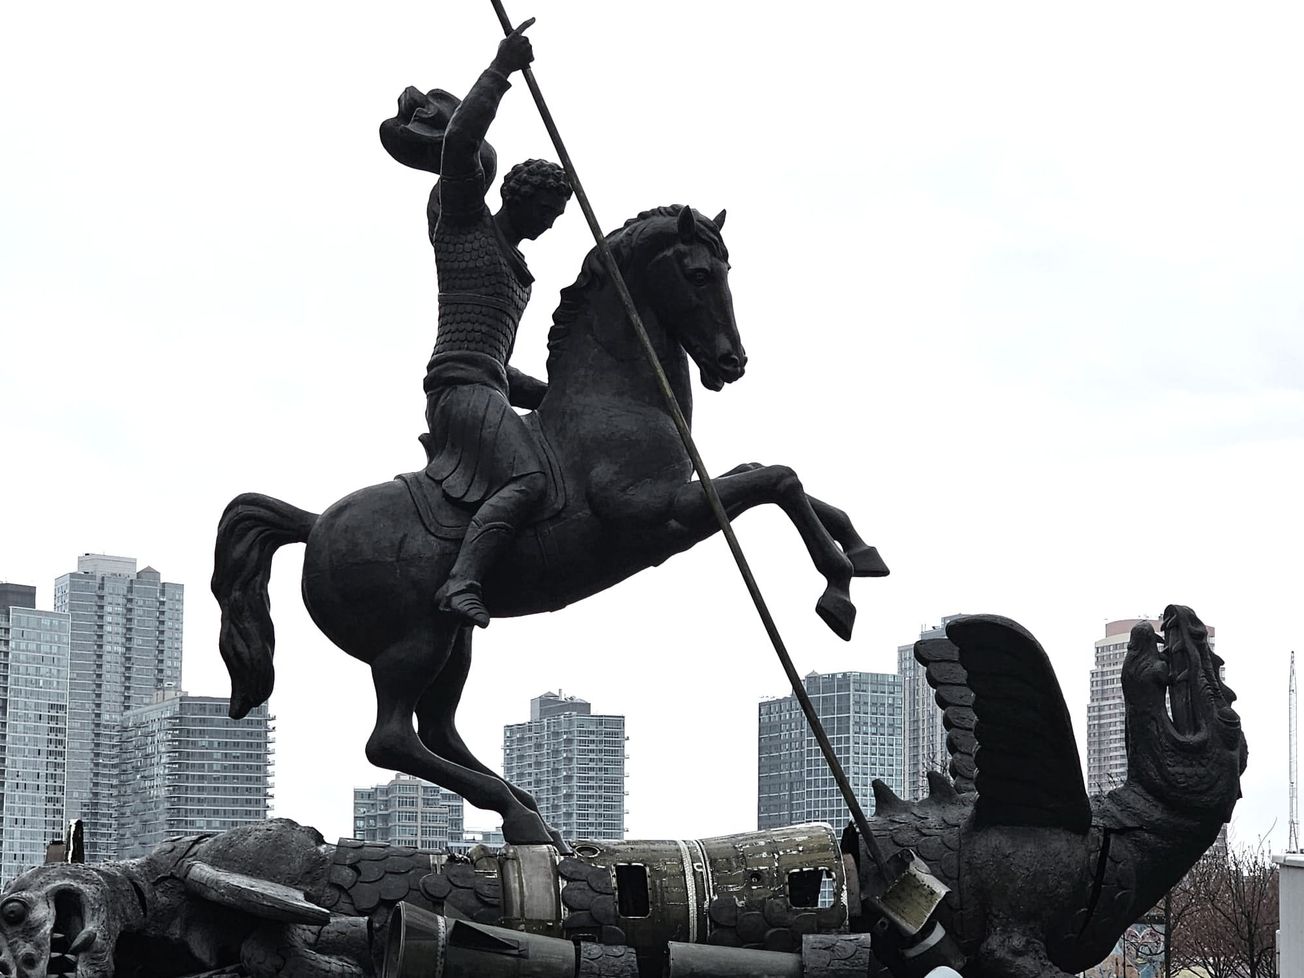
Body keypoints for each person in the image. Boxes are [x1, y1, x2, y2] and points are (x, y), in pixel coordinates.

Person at [422, 20, 572, 627]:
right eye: (545, 209)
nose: (549, 222)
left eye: (558, 215)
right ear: (518, 197)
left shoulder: (520, 274)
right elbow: (458, 146)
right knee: (531, 478)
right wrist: (501, 69)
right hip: (457, 392)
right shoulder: (464, 222)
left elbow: (499, 365)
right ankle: (462, 581)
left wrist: (562, 395)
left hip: (487, 385)